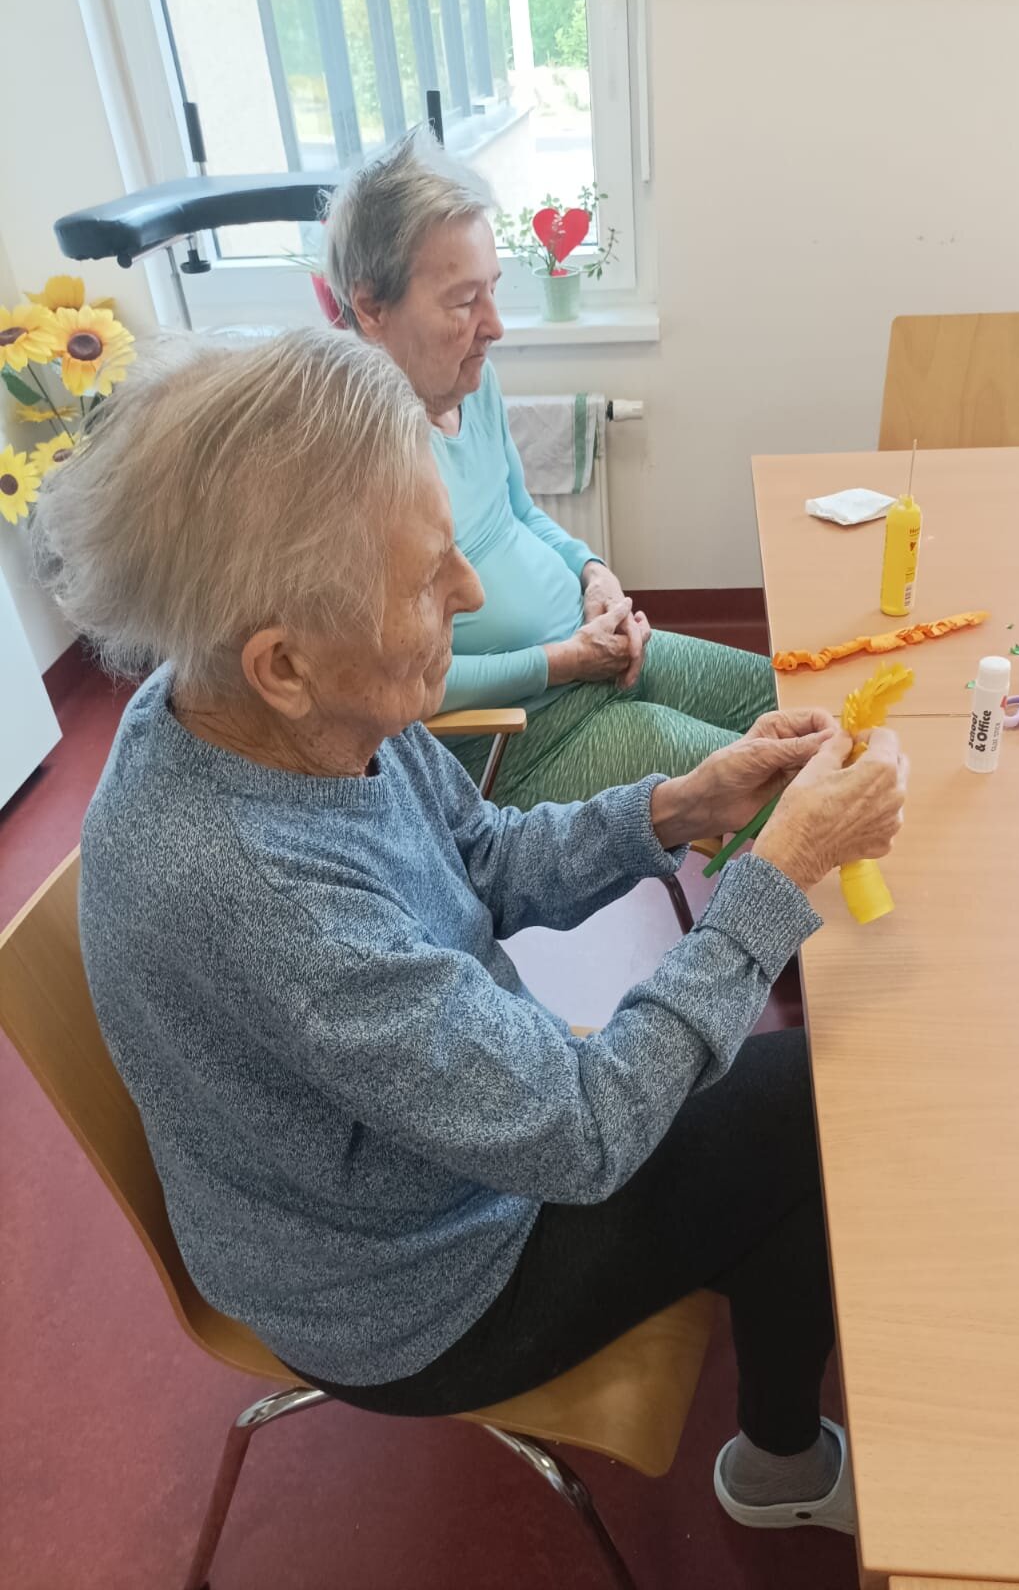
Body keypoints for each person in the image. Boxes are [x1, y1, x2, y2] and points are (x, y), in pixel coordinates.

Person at [32, 330, 906, 1531]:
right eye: (423, 576)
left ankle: (761, 1335)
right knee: (808, 1101)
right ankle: (781, 1469)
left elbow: (478, 856)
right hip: (412, 1291)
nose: (472, 592)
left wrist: (682, 805)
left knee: (763, 1096)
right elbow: (583, 1134)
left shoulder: (271, 705)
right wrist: (780, 873)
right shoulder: (264, 892)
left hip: (433, 1156)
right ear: (283, 662)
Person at [321, 131, 780, 810]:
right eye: (463, 301)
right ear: (370, 308)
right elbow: (401, 685)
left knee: (783, 694)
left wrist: (594, 576)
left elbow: (519, 512)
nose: (495, 325)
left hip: (594, 657)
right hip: (529, 737)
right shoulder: (354, 464)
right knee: (778, 774)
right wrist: (562, 661)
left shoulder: (470, 381)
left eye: (493, 290)